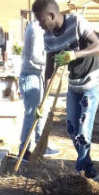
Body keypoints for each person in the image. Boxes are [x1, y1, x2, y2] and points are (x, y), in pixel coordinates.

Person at [31, 0, 99, 180]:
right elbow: (49, 69)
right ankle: (89, 170)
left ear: (52, 14)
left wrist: (74, 54)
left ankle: (81, 173)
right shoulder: (48, 37)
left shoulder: (77, 22)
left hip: (92, 82)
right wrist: (42, 102)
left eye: (41, 21)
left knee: (83, 130)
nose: (40, 25)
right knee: (72, 129)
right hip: (74, 85)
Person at [18, 19, 59, 162]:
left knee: (42, 111)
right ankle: (24, 151)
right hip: (30, 76)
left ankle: (41, 145)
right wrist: (53, 60)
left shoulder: (41, 29)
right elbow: (36, 56)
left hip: (36, 75)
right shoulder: (36, 29)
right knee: (31, 115)